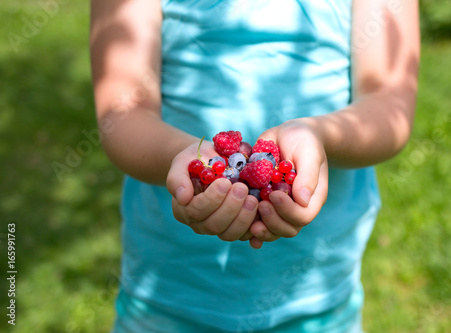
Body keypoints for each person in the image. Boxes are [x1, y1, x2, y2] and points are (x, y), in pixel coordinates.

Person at [90, 0, 420, 332]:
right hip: (167, 293)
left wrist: (320, 135)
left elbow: (388, 101)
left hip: (318, 295)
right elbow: (123, 114)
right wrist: (189, 160)